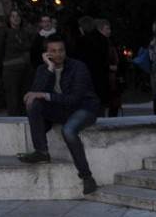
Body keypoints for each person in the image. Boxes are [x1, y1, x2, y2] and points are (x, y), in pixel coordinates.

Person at [16, 34, 101, 195]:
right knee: (33, 103)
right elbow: (36, 93)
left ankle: (87, 177)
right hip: (62, 109)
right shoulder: (43, 69)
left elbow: (74, 99)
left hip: (84, 108)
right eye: (53, 51)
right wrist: (49, 69)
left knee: (68, 131)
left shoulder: (78, 67)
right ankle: (41, 152)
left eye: (61, 50)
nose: (58, 54)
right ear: (47, 53)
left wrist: (45, 95)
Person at [0, 10, 34, 116]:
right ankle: (14, 117)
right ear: (9, 19)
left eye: (17, 16)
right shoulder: (4, 32)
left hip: (26, 68)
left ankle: (25, 115)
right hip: (11, 68)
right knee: (13, 95)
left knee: (25, 93)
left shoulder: (25, 32)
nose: (16, 18)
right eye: (13, 16)